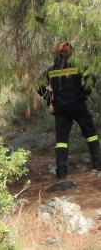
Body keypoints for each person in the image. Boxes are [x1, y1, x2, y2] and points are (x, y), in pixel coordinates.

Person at [38, 42, 101, 179]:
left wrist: (50, 99)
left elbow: (39, 86)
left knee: (61, 140)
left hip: (61, 109)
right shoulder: (79, 65)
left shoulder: (51, 70)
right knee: (91, 134)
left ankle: (61, 172)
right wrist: (84, 93)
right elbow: (92, 78)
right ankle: (97, 165)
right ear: (70, 52)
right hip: (78, 105)